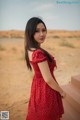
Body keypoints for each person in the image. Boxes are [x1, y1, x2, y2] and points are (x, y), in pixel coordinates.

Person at [24, 17, 66, 120]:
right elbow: (48, 79)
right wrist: (62, 91)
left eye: (43, 30)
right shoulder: (38, 53)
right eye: (37, 31)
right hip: (46, 89)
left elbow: (38, 73)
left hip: (37, 86)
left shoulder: (30, 49)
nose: (42, 34)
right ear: (30, 33)